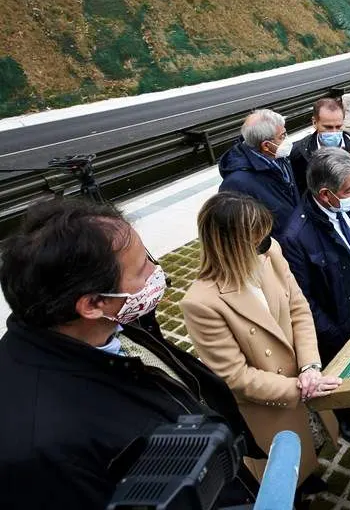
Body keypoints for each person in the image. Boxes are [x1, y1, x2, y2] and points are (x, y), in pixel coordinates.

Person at [0, 199, 263, 510]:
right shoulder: (41, 446)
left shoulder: (110, 323)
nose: (158, 273)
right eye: (143, 269)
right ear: (93, 304)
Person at [180, 192, 342, 494]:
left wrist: (309, 366)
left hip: (304, 384)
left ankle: (309, 478)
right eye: (258, 240)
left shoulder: (271, 253)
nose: (266, 246)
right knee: (283, 476)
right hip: (270, 406)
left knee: (312, 448)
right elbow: (236, 377)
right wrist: (298, 387)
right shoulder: (201, 303)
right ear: (233, 247)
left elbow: (298, 308)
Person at [280, 148, 350, 447]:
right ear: (326, 194)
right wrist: (339, 334)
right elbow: (303, 302)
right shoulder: (296, 237)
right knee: (343, 380)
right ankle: (346, 417)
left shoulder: (345, 206)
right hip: (338, 331)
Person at [290, 98, 350, 256]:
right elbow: (299, 193)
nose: (334, 132)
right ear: (314, 122)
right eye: (327, 127)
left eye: (338, 126)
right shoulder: (299, 153)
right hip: (326, 226)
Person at [219, 109, 298, 240]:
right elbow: (241, 234)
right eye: (282, 136)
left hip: (295, 242)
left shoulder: (279, 157)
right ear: (266, 146)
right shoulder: (236, 184)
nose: (287, 140)